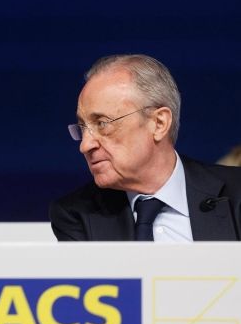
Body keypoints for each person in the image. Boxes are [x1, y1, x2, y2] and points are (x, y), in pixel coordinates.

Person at [50, 54, 241, 241]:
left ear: (158, 123)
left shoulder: (235, 193)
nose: (85, 145)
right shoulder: (76, 214)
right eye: (82, 127)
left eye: (102, 123)